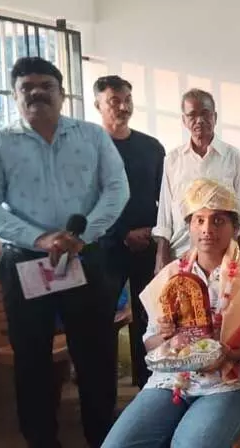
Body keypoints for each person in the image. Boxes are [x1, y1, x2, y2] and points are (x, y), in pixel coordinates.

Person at [0, 57, 129, 447]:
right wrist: (40, 239)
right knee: (32, 360)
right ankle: (41, 440)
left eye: (45, 86)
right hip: (25, 263)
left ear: (62, 94)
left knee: (95, 356)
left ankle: (103, 437)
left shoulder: (91, 136)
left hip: (84, 257)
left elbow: (116, 188)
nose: (36, 93)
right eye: (26, 87)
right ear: (15, 95)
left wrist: (82, 235)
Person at [103, 179, 240, 447]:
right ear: (190, 226)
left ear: (234, 227)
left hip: (228, 383)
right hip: (170, 382)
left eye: (218, 221)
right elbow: (150, 342)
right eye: (199, 220)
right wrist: (166, 337)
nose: (207, 229)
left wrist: (233, 353)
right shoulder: (171, 276)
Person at [94, 74, 166, 388]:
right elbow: (87, 201)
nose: (123, 107)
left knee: (150, 316)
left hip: (147, 244)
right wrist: (122, 233)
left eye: (127, 100)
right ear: (98, 104)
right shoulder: (91, 148)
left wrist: (153, 231)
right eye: (114, 101)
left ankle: (148, 383)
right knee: (102, 318)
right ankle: (104, 389)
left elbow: (166, 197)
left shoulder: (151, 147)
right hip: (105, 247)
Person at [153, 89, 240, 273]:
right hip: (180, 255)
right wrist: (161, 257)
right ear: (184, 120)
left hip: (221, 258)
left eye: (205, 114)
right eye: (192, 115)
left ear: (215, 117)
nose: (199, 120)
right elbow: (165, 216)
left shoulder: (235, 158)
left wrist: (238, 262)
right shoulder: (173, 160)